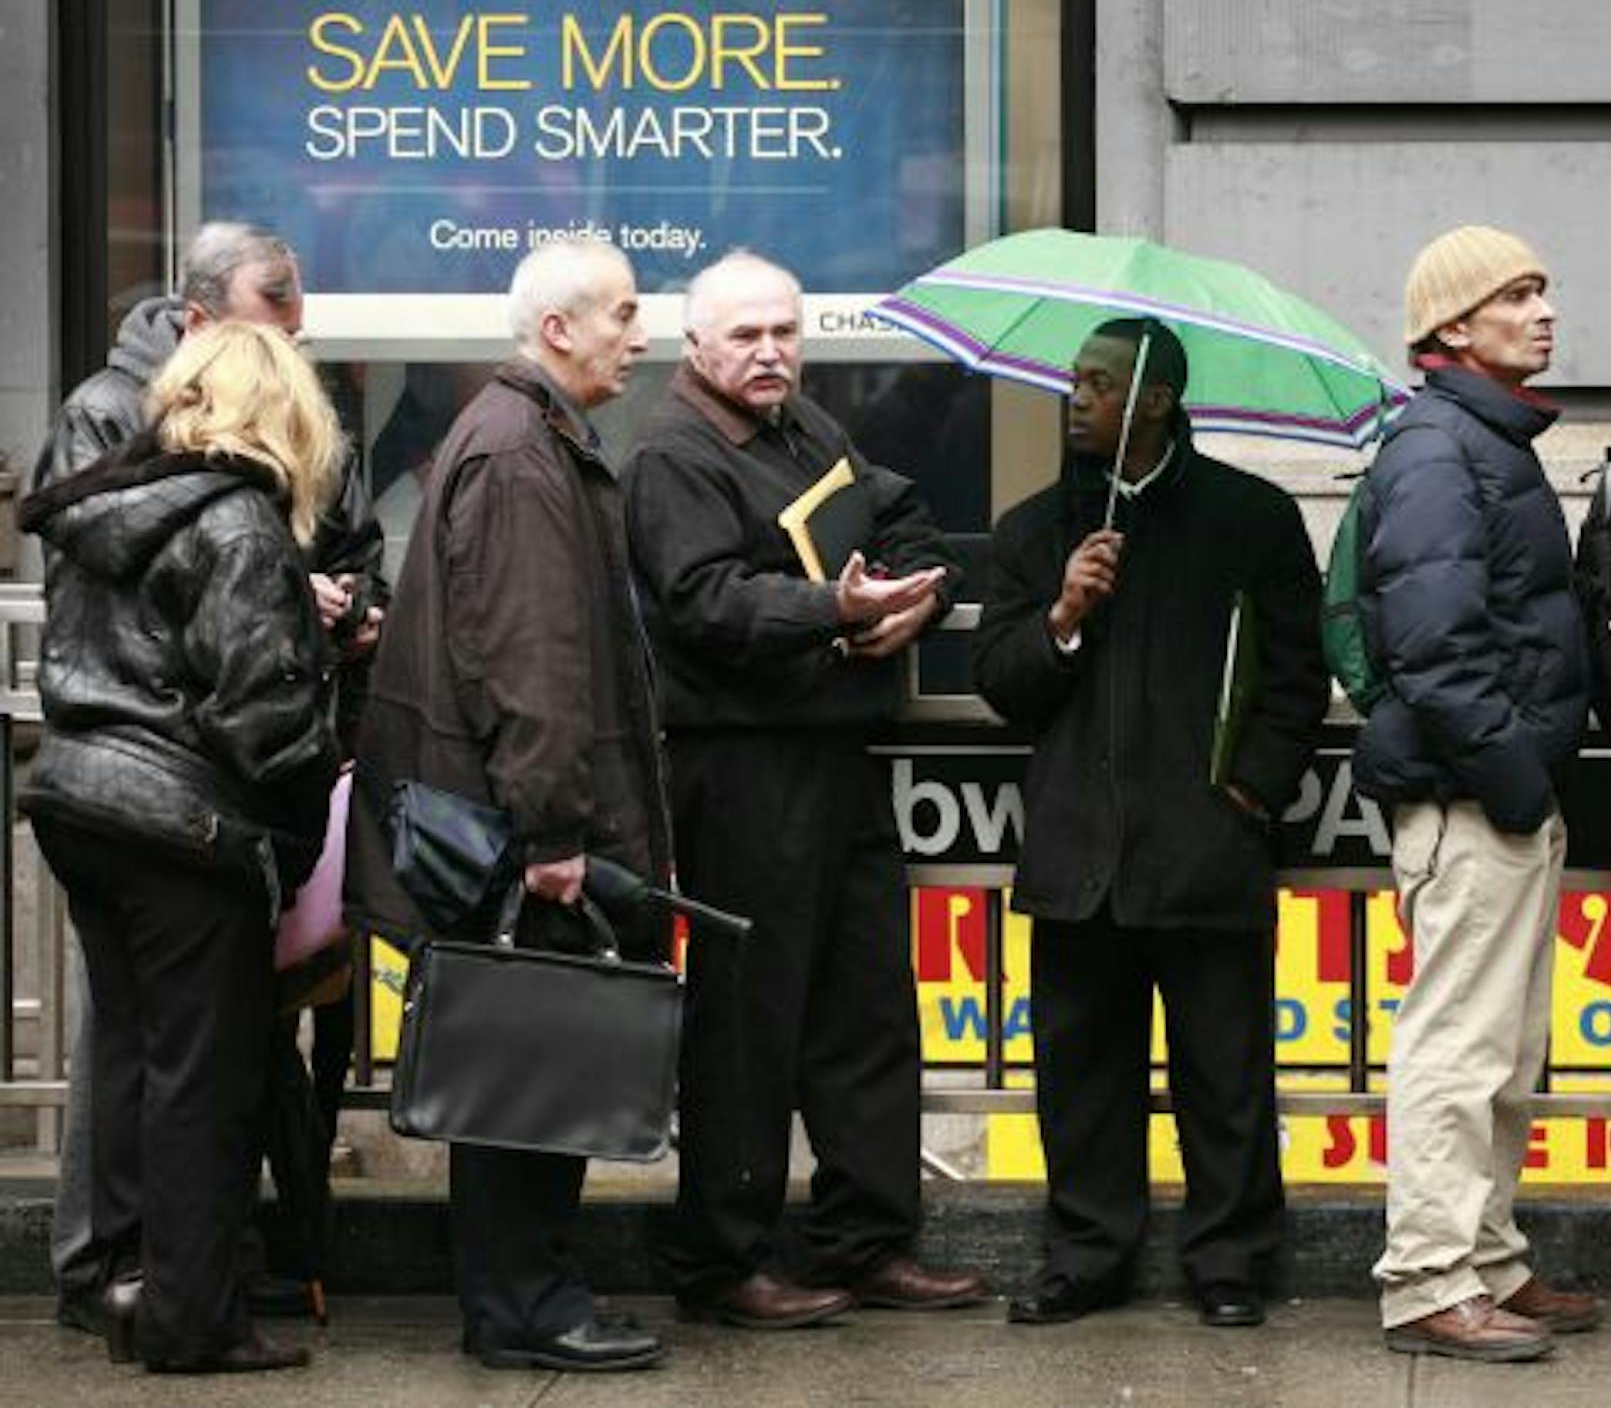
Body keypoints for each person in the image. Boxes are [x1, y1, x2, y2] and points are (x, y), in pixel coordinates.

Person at [623, 250, 984, 1329]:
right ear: (696, 347)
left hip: (836, 755)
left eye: (785, 330)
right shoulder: (673, 457)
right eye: (746, 335)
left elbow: (901, 507)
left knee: (867, 1007)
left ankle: (866, 1239)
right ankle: (722, 1262)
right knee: (747, 1022)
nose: (772, 351)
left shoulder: (806, 430)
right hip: (741, 764)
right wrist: (837, 606)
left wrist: (920, 593)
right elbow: (703, 605)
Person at [36, 221, 383, 1337]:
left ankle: (161, 1279)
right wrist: (287, 824)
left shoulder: (140, 482)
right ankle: (166, 1293)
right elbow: (252, 703)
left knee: (162, 1047)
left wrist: (324, 598)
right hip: (181, 801)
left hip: (94, 787)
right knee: (188, 1061)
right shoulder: (214, 502)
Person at [344, 238, 669, 1372]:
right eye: (623, 314)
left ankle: (524, 1297)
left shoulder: (515, 438)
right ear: (557, 330)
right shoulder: (524, 453)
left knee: (526, 1068)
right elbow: (530, 663)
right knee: (531, 1076)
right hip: (519, 837)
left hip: (507, 826)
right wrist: (554, 836)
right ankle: (527, 1305)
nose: (642, 333)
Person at [974, 318, 1328, 1330]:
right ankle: (1088, 1256)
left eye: (1098, 383)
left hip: (1205, 848)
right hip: (1080, 854)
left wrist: (1247, 794)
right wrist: (1062, 616)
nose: (1074, 397)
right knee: (1082, 1077)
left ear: (1156, 400)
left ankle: (1230, 1261)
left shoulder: (1249, 518)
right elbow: (1004, 683)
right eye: (1074, 380)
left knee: (1226, 1078)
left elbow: (1297, 677)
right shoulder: (1036, 529)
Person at [1352, 226, 1597, 1362]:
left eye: (1541, 289)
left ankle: (1488, 1260)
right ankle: (1429, 1281)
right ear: (1454, 326)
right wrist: (1514, 779)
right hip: (1470, 797)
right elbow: (1435, 649)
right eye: (1516, 294)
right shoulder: (1439, 451)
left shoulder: (1479, 438)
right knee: (1458, 1050)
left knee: (1502, 1048)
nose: (1542, 311)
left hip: (1492, 789)